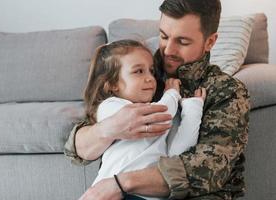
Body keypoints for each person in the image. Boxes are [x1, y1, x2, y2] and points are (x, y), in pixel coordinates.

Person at [64, 0, 250, 199]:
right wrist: (107, 129)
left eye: (183, 41)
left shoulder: (227, 91)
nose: (168, 50)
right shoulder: (141, 73)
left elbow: (208, 169)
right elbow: (77, 149)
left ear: (210, 42)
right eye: (163, 36)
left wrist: (121, 183)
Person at [82, 39, 206, 200]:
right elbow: (155, 117)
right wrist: (172, 94)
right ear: (112, 84)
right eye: (139, 71)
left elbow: (179, 154)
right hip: (111, 195)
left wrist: (193, 109)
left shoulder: (160, 114)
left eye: (151, 71)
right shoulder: (109, 107)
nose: (150, 78)